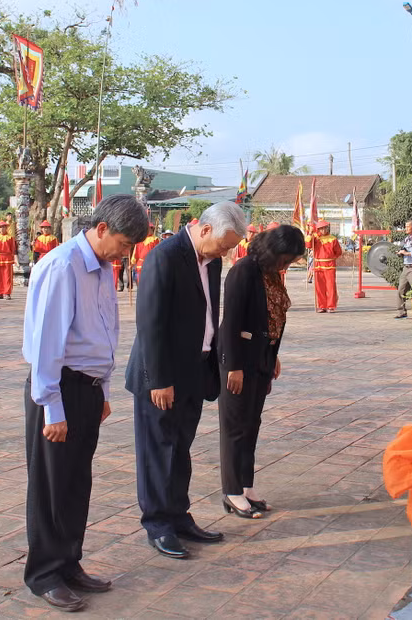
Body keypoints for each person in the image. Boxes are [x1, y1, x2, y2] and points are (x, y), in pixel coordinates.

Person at [22, 194, 149, 612]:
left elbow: (105, 332)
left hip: (89, 389)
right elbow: (46, 345)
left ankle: (68, 561)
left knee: (77, 482)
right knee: (52, 484)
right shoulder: (63, 266)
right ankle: (44, 572)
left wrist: (105, 390)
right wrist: (52, 408)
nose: (126, 253)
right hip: (59, 388)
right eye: (125, 243)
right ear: (100, 230)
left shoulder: (103, 268)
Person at [125, 202, 247, 560]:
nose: (226, 251)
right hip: (162, 374)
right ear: (205, 229)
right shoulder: (165, 256)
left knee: (180, 450)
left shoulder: (213, 261)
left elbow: (209, 313)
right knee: (157, 452)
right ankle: (158, 524)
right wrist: (158, 379)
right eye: (225, 243)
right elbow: (150, 323)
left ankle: (179, 516)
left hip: (196, 369)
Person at [218, 225, 304, 519]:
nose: (286, 265)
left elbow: (274, 318)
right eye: (284, 258)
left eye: (290, 261)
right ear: (271, 250)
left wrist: (273, 353)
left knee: (252, 424)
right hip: (239, 362)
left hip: (262, 359)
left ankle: (246, 485)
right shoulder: (244, 270)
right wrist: (233, 366)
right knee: (235, 426)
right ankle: (231, 491)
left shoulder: (270, 274)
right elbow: (231, 321)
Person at [306, 220, 342, 313]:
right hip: (318, 265)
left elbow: (338, 252)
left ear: (327, 228)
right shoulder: (316, 238)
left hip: (330, 266)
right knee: (319, 287)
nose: (323, 230)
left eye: (324, 228)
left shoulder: (333, 239)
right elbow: (308, 245)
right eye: (321, 229)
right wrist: (310, 232)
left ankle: (331, 306)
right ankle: (322, 306)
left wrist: (331, 258)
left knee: (331, 287)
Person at [0, 220, 18, 300]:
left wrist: (14, 258)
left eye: (4, 227)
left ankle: (7, 293)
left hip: (7, 258)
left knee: (7, 276)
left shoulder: (10, 238)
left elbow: (13, 249)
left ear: (6, 228)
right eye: (0, 227)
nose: (2, 229)